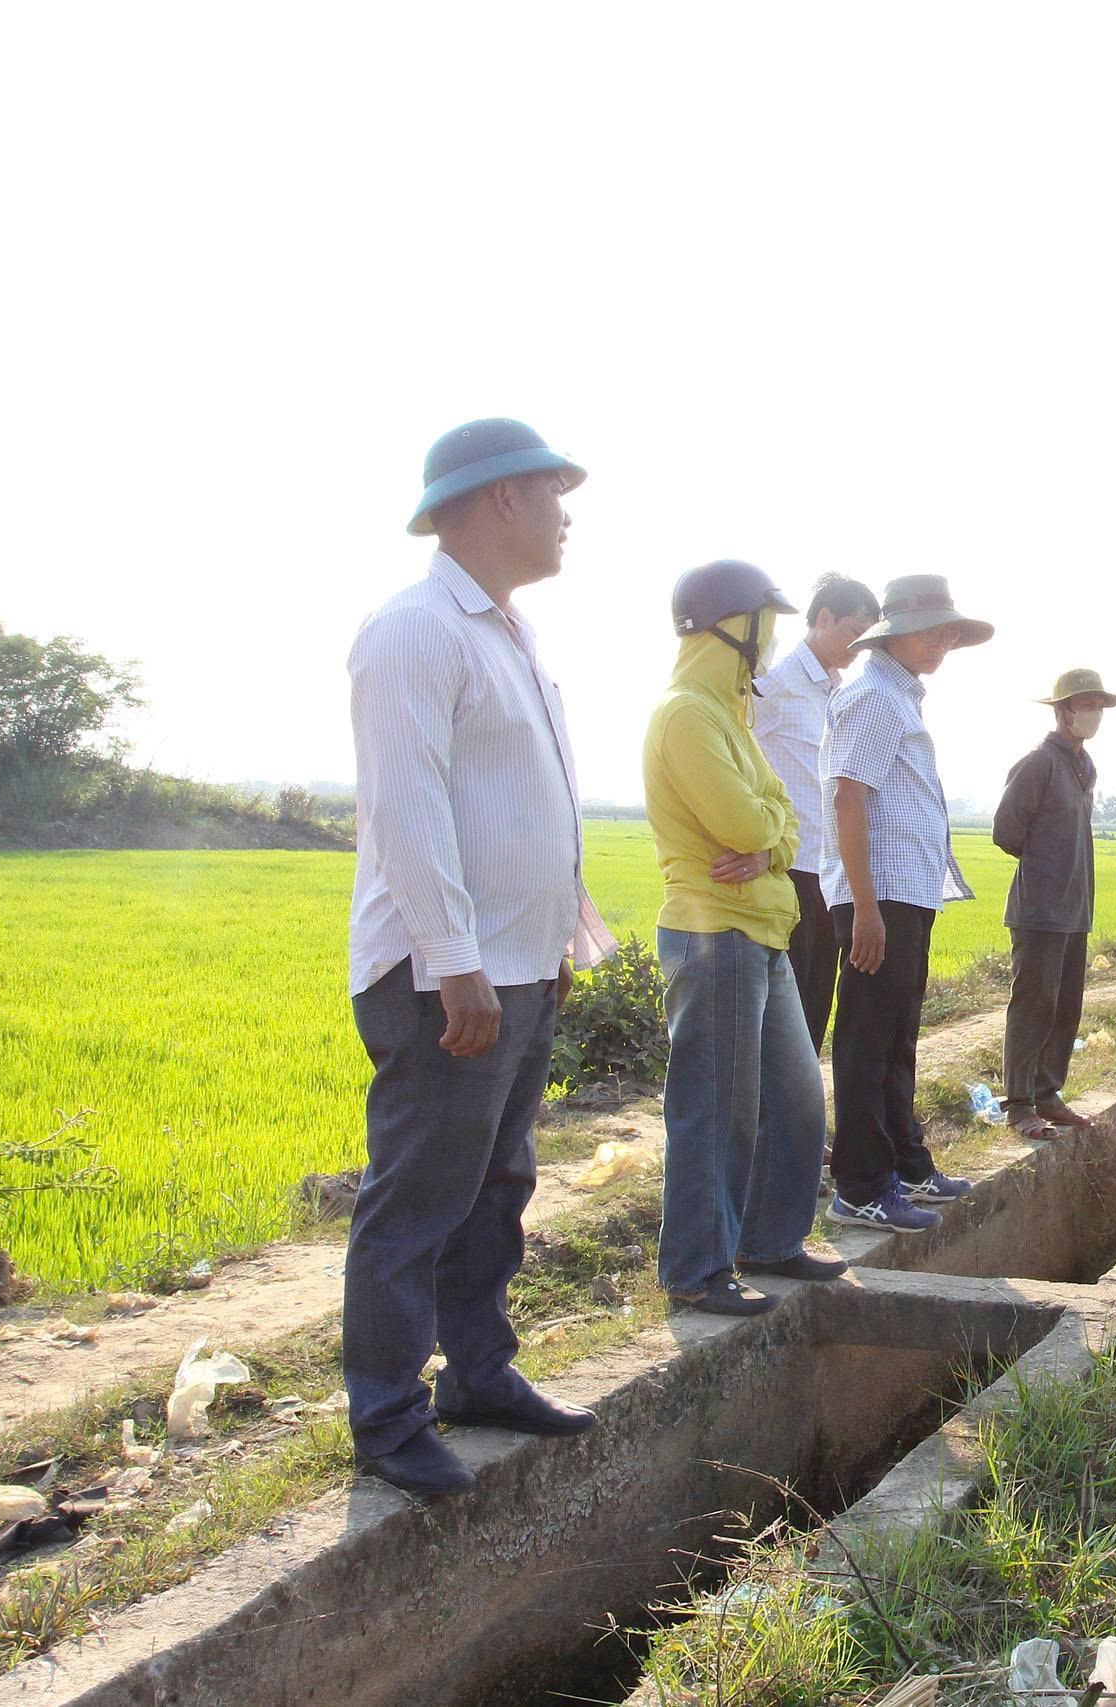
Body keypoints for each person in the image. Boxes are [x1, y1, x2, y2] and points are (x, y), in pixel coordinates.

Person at [341, 418, 615, 1497]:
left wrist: (552, 939)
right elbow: (406, 813)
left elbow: (521, 807)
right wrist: (455, 961)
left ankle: (480, 1375)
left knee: (496, 1187)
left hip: (513, 964)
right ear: (500, 498)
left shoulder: (508, 635)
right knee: (419, 1199)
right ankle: (388, 1417)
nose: (566, 515)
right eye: (554, 492)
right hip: (441, 978)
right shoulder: (414, 631)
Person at [643, 560, 850, 1319]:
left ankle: (767, 1239)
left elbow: (788, 819)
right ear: (733, 625)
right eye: (765, 622)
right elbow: (748, 820)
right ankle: (699, 1267)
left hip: (761, 927)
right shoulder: (687, 716)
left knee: (795, 1099)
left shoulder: (732, 714)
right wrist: (770, 833)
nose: (770, 640)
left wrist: (769, 839)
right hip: (712, 933)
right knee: (717, 1107)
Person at [821, 575, 991, 1232]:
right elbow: (849, 799)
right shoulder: (873, 699)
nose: (947, 640)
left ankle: (907, 1166)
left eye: (953, 630)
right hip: (880, 896)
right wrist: (863, 907)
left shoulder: (898, 698)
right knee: (868, 1041)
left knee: (897, 1039)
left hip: (906, 894)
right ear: (896, 631)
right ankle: (861, 1185)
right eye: (936, 628)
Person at [990, 668, 1116, 1139]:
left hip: (1074, 909)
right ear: (1063, 711)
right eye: (1085, 705)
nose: (1094, 714)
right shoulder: (1039, 764)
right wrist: (1045, 867)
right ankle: (1019, 1104)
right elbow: (1006, 830)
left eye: (1098, 707)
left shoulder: (1083, 767)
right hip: (1039, 910)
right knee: (1033, 1005)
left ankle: (1047, 1094)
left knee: (1065, 1006)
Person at [758, 573, 879, 1052]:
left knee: (813, 1009)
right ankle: (773, 1122)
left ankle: (796, 1119)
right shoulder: (774, 686)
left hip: (829, 875)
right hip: (789, 871)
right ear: (822, 618)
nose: (856, 646)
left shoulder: (840, 695)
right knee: (783, 1014)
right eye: (852, 631)